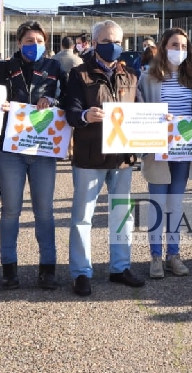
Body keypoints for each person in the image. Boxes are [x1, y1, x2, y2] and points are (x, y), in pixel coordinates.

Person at [64, 20, 144, 296]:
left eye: (118, 41)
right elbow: (71, 111)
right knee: (82, 217)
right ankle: (81, 272)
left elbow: (141, 111)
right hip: (90, 156)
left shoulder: (131, 76)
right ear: (95, 44)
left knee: (122, 215)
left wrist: (159, 121)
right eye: (107, 41)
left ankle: (120, 267)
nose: (114, 46)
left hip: (122, 158)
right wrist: (85, 116)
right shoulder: (79, 74)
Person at [0, 21, 66, 291]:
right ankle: (9, 269)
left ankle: (48, 269)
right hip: (11, 151)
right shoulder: (0, 69)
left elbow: (68, 101)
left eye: (39, 40)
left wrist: (53, 102)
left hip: (43, 150)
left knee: (45, 212)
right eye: (29, 41)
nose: (34, 45)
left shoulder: (55, 68)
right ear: (18, 43)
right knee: (10, 212)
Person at [136, 27, 192, 278]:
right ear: (164, 47)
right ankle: (155, 256)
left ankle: (173, 254)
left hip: (184, 148)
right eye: (175, 45)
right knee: (157, 203)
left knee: (175, 203)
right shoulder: (148, 77)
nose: (179, 50)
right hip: (157, 149)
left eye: (184, 46)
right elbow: (139, 112)